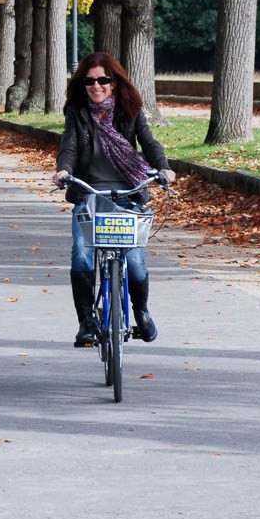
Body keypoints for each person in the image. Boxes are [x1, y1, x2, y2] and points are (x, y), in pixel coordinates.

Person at [52, 52, 176, 347]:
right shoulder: (77, 113)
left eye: (103, 80)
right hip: (90, 194)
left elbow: (149, 142)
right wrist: (63, 170)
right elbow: (68, 146)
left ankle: (141, 312)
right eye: (90, 81)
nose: (97, 86)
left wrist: (164, 168)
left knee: (134, 261)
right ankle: (85, 322)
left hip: (128, 194)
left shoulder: (129, 111)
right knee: (81, 254)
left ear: (115, 82)